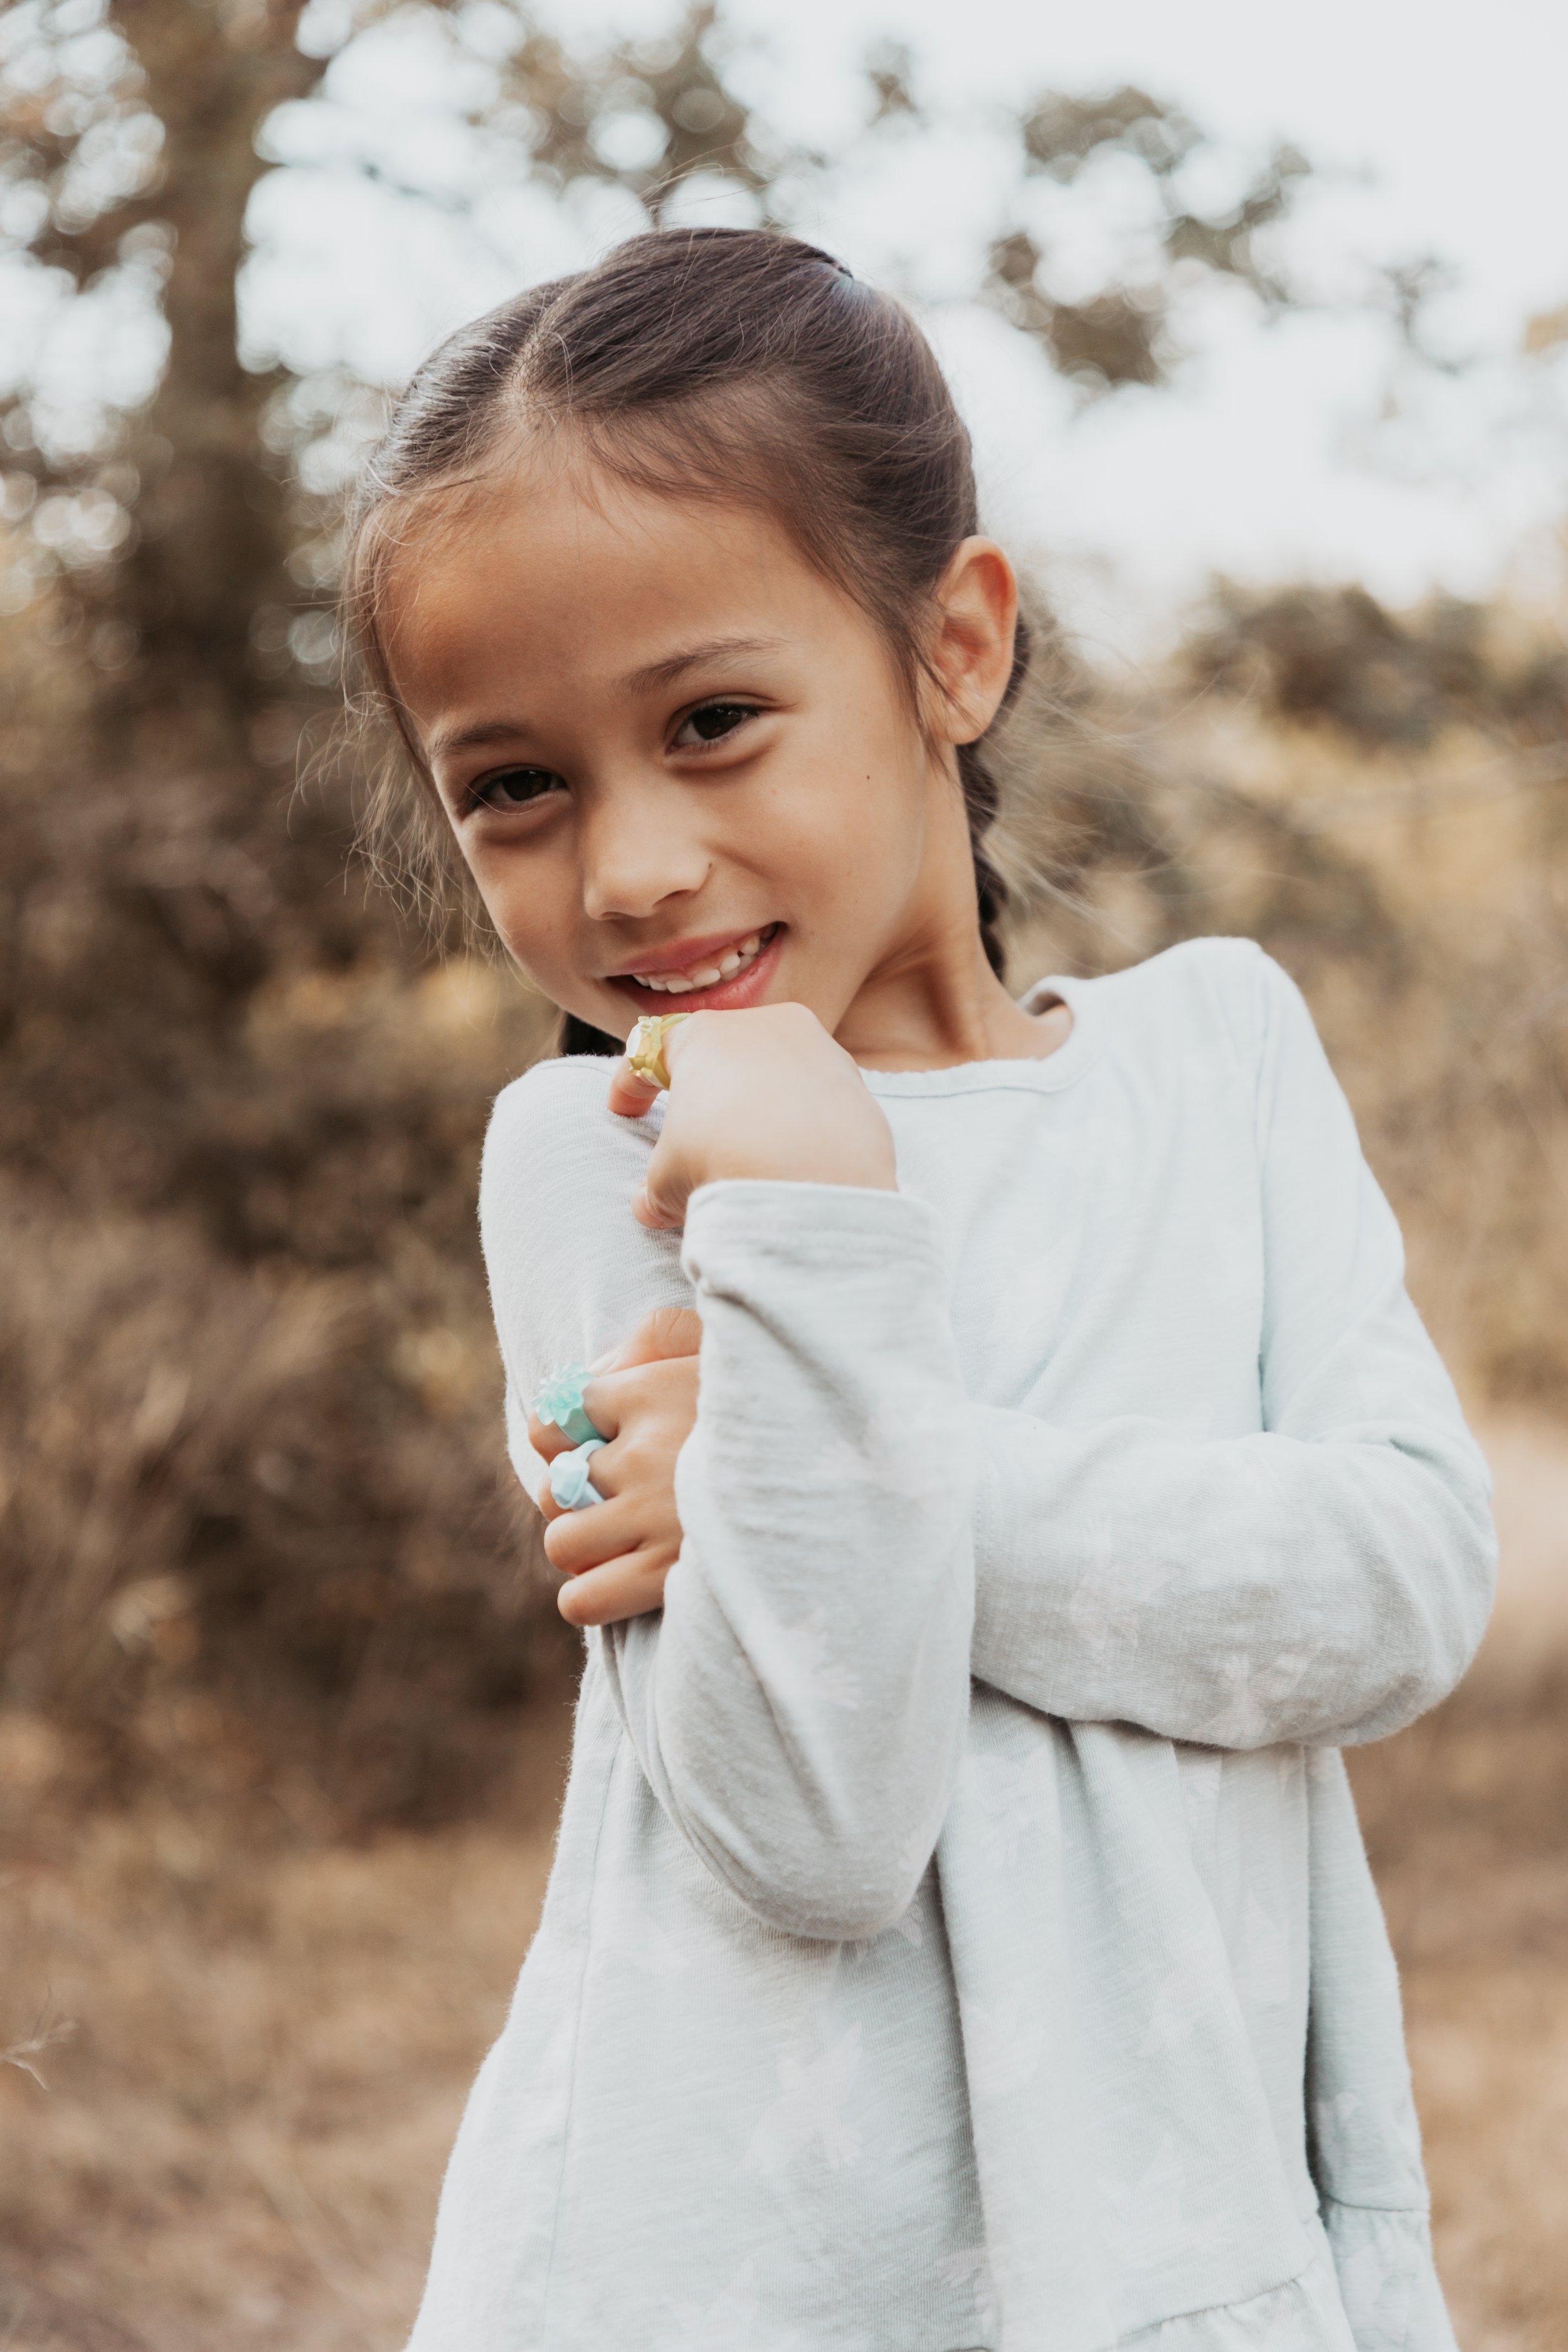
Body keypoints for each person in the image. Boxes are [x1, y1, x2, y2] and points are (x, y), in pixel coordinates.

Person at [339, 227, 1495, 2352]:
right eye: (515, 786)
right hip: (706, 2284)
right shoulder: (595, 1165)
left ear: (951, 647)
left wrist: (863, 1479)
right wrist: (798, 1206)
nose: (630, 868)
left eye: (711, 721)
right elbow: (811, 1832)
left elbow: (1399, 1580)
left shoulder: (1214, 1056)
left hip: (1166, 2265)